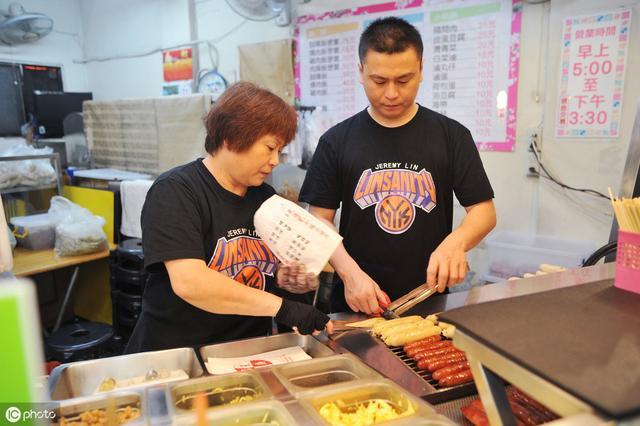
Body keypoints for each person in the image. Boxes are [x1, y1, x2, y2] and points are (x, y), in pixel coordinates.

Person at [299, 17, 496, 315]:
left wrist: (456, 243)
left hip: (429, 297)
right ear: (361, 72)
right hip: (356, 298)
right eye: (379, 81)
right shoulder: (336, 141)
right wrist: (350, 274)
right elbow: (319, 220)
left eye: (403, 80)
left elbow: (484, 212)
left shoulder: (451, 135)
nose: (391, 93)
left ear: (420, 71)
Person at [125, 82, 332, 354]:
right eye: (269, 148)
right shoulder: (176, 190)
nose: (274, 161)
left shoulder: (265, 198)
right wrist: (283, 308)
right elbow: (191, 282)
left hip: (242, 353)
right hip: (178, 354)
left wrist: (288, 279)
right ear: (232, 136)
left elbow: (276, 265)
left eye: (278, 151)